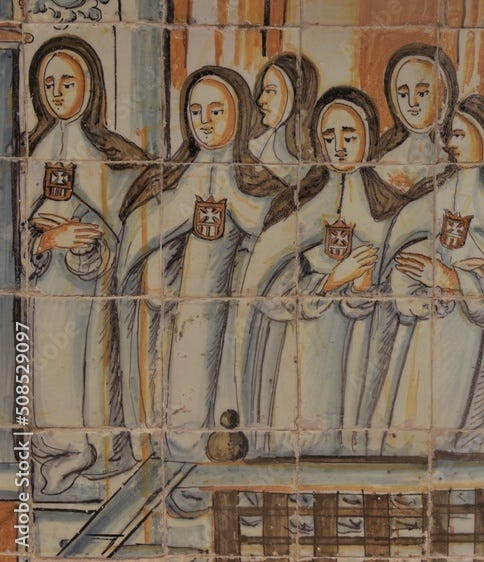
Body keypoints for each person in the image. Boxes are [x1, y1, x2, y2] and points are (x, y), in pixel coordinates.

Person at [118, 67, 290, 469]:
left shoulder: (260, 184)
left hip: (231, 318)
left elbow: (276, 238)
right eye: (196, 112)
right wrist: (156, 269)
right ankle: (178, 472)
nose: (205, 121)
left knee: (224, 404)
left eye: (217, 110)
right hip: (180, 315)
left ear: (240, 114)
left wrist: (235, 199)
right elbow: (142, 234)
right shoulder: (175, 181)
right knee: (180, 396)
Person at [368, 95, 484, 455]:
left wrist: (454, 280)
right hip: (426, 340)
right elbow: (401, 259)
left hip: (483, 347)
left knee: (465, 444)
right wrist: (413, 285)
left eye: (458, 135)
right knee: (415, 431)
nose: (450, 144)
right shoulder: (429, 199)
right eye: (448, 136)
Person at [237, 86, 410, 456]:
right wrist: (332, 279)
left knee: (353, 439)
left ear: (369, 136)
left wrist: (365, 284)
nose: (339, 146)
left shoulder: (393, 210)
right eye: (329, 136)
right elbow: (268, 289)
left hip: (361, 350)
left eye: (350, 135)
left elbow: (400, 286)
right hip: (300, 348)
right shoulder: (295, 205)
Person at [25, 35, 148, 496]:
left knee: (89, 373)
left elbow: (131, 227)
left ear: (90, 86)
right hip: (42, 294)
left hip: (91, 297)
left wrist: (89, 240)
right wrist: (45, 237)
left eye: (68, 81)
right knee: (45, 373)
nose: (57, 92)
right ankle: (54, 453)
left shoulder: (112, 155)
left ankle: (86, 452)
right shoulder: (27, 152)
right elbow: (10, 232)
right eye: (48, 83)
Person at [374, 43, 458, 192]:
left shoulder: (455, 158)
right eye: (403, 95)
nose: (412, 103)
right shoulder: (386, 163)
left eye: (422, 93)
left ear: (444, 98)